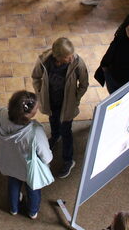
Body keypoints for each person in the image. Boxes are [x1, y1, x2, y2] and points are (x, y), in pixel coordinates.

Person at [31, 37, 88, 178]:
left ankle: (68, 160)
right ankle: (55, 137)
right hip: (51, 102)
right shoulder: (44, 61)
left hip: (67, 104)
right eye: (67, 57)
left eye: (71, 55)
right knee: (53, 120)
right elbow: (36, 77)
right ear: (58, 57)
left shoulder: (77, 62)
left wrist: (76, 98)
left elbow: (84, 84)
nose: (71, 59)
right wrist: (39, 93)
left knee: (66, 130)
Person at [0, 90, 52, 219]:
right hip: (28, 168)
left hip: (8, 162)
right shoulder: (36, 131)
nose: (38, 109)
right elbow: (46, 157)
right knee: (33, 189)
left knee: (13, 184)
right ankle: (32, 211)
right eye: (36, 108)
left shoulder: (1, 114)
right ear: (28, 114)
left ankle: (13, 208)